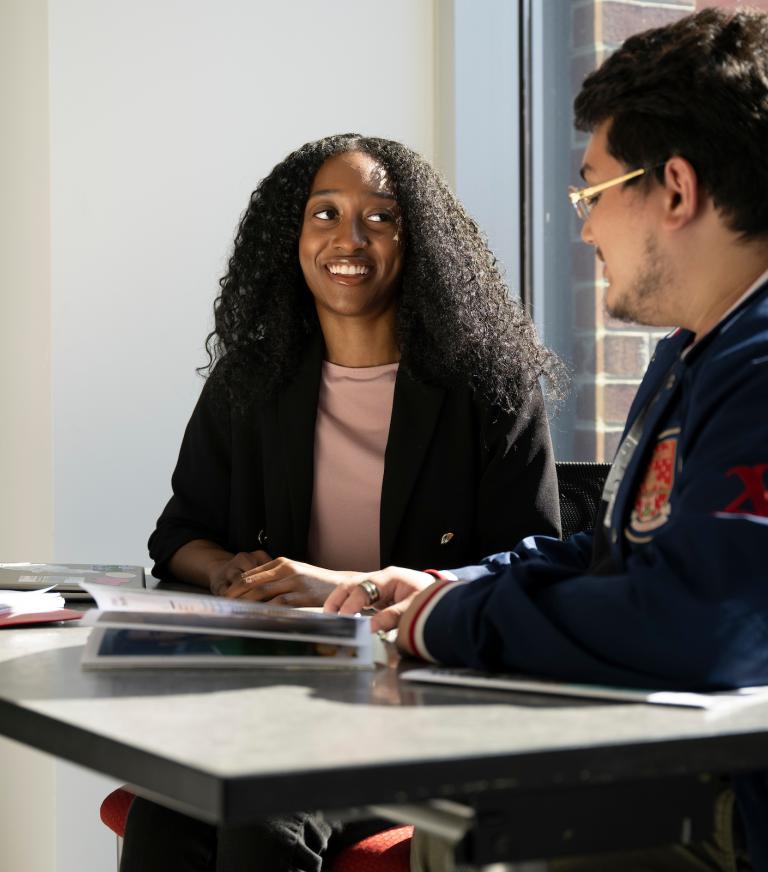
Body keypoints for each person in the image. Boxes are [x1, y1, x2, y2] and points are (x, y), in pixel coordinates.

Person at [326, 9, 768, 871]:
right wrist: (442, 587)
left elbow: (702, 628)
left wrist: (454, 621)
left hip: (734, 819)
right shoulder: (691, 351)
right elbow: (611, 556)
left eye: (593, 193)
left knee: (474, 838)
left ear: (674, 190)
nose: (583, 227)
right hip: (682, 779)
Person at [120, 134, 562, 871]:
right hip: (268, 692)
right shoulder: (249, 382)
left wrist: (355, 591)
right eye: (323, 214)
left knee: (262, 818)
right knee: (164, 812)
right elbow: (178, 535)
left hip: (419, 702)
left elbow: (526, 570)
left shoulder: (491, 391)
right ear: (290, 239)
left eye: (380, 217)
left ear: (418, 241)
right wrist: (226, 568)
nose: (348, 239)